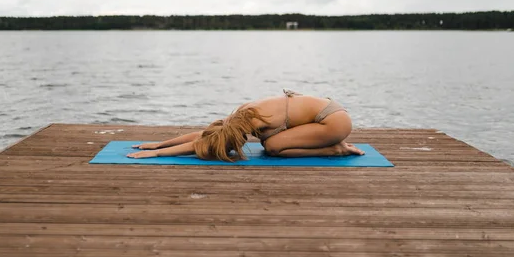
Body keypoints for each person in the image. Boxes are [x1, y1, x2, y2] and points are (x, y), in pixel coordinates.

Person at [127, 89, 364, 161]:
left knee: (272, 147)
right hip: (327, 114)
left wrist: (158, 152)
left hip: (334, 122)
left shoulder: (250, 119)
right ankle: (332, 144)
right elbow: (204, 136)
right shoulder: (239, 117)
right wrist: (159, 146)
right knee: (272, 143)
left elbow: (201, 142)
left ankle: (335, 148)